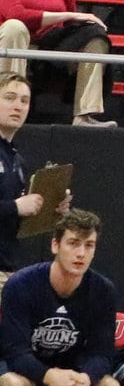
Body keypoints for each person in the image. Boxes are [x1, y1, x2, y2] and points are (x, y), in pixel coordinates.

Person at [0, 210, 119, 386]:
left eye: (89, 245)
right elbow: (15, 352)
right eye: (73, 243)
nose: (81, 253)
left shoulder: (103, 290)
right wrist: (48, 375)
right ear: (55, 245)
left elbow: (102, 353)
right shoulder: (21, 284)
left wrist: (86, 377)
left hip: (69, 372)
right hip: (18, 368)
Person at [0, 78, 37, 274]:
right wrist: (16, 207)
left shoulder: (16, 159)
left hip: (8, 266)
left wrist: (51, 209)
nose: (18, 106)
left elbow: (16, 216)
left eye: (24, 101)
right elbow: (14, 207)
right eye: (10, 98)